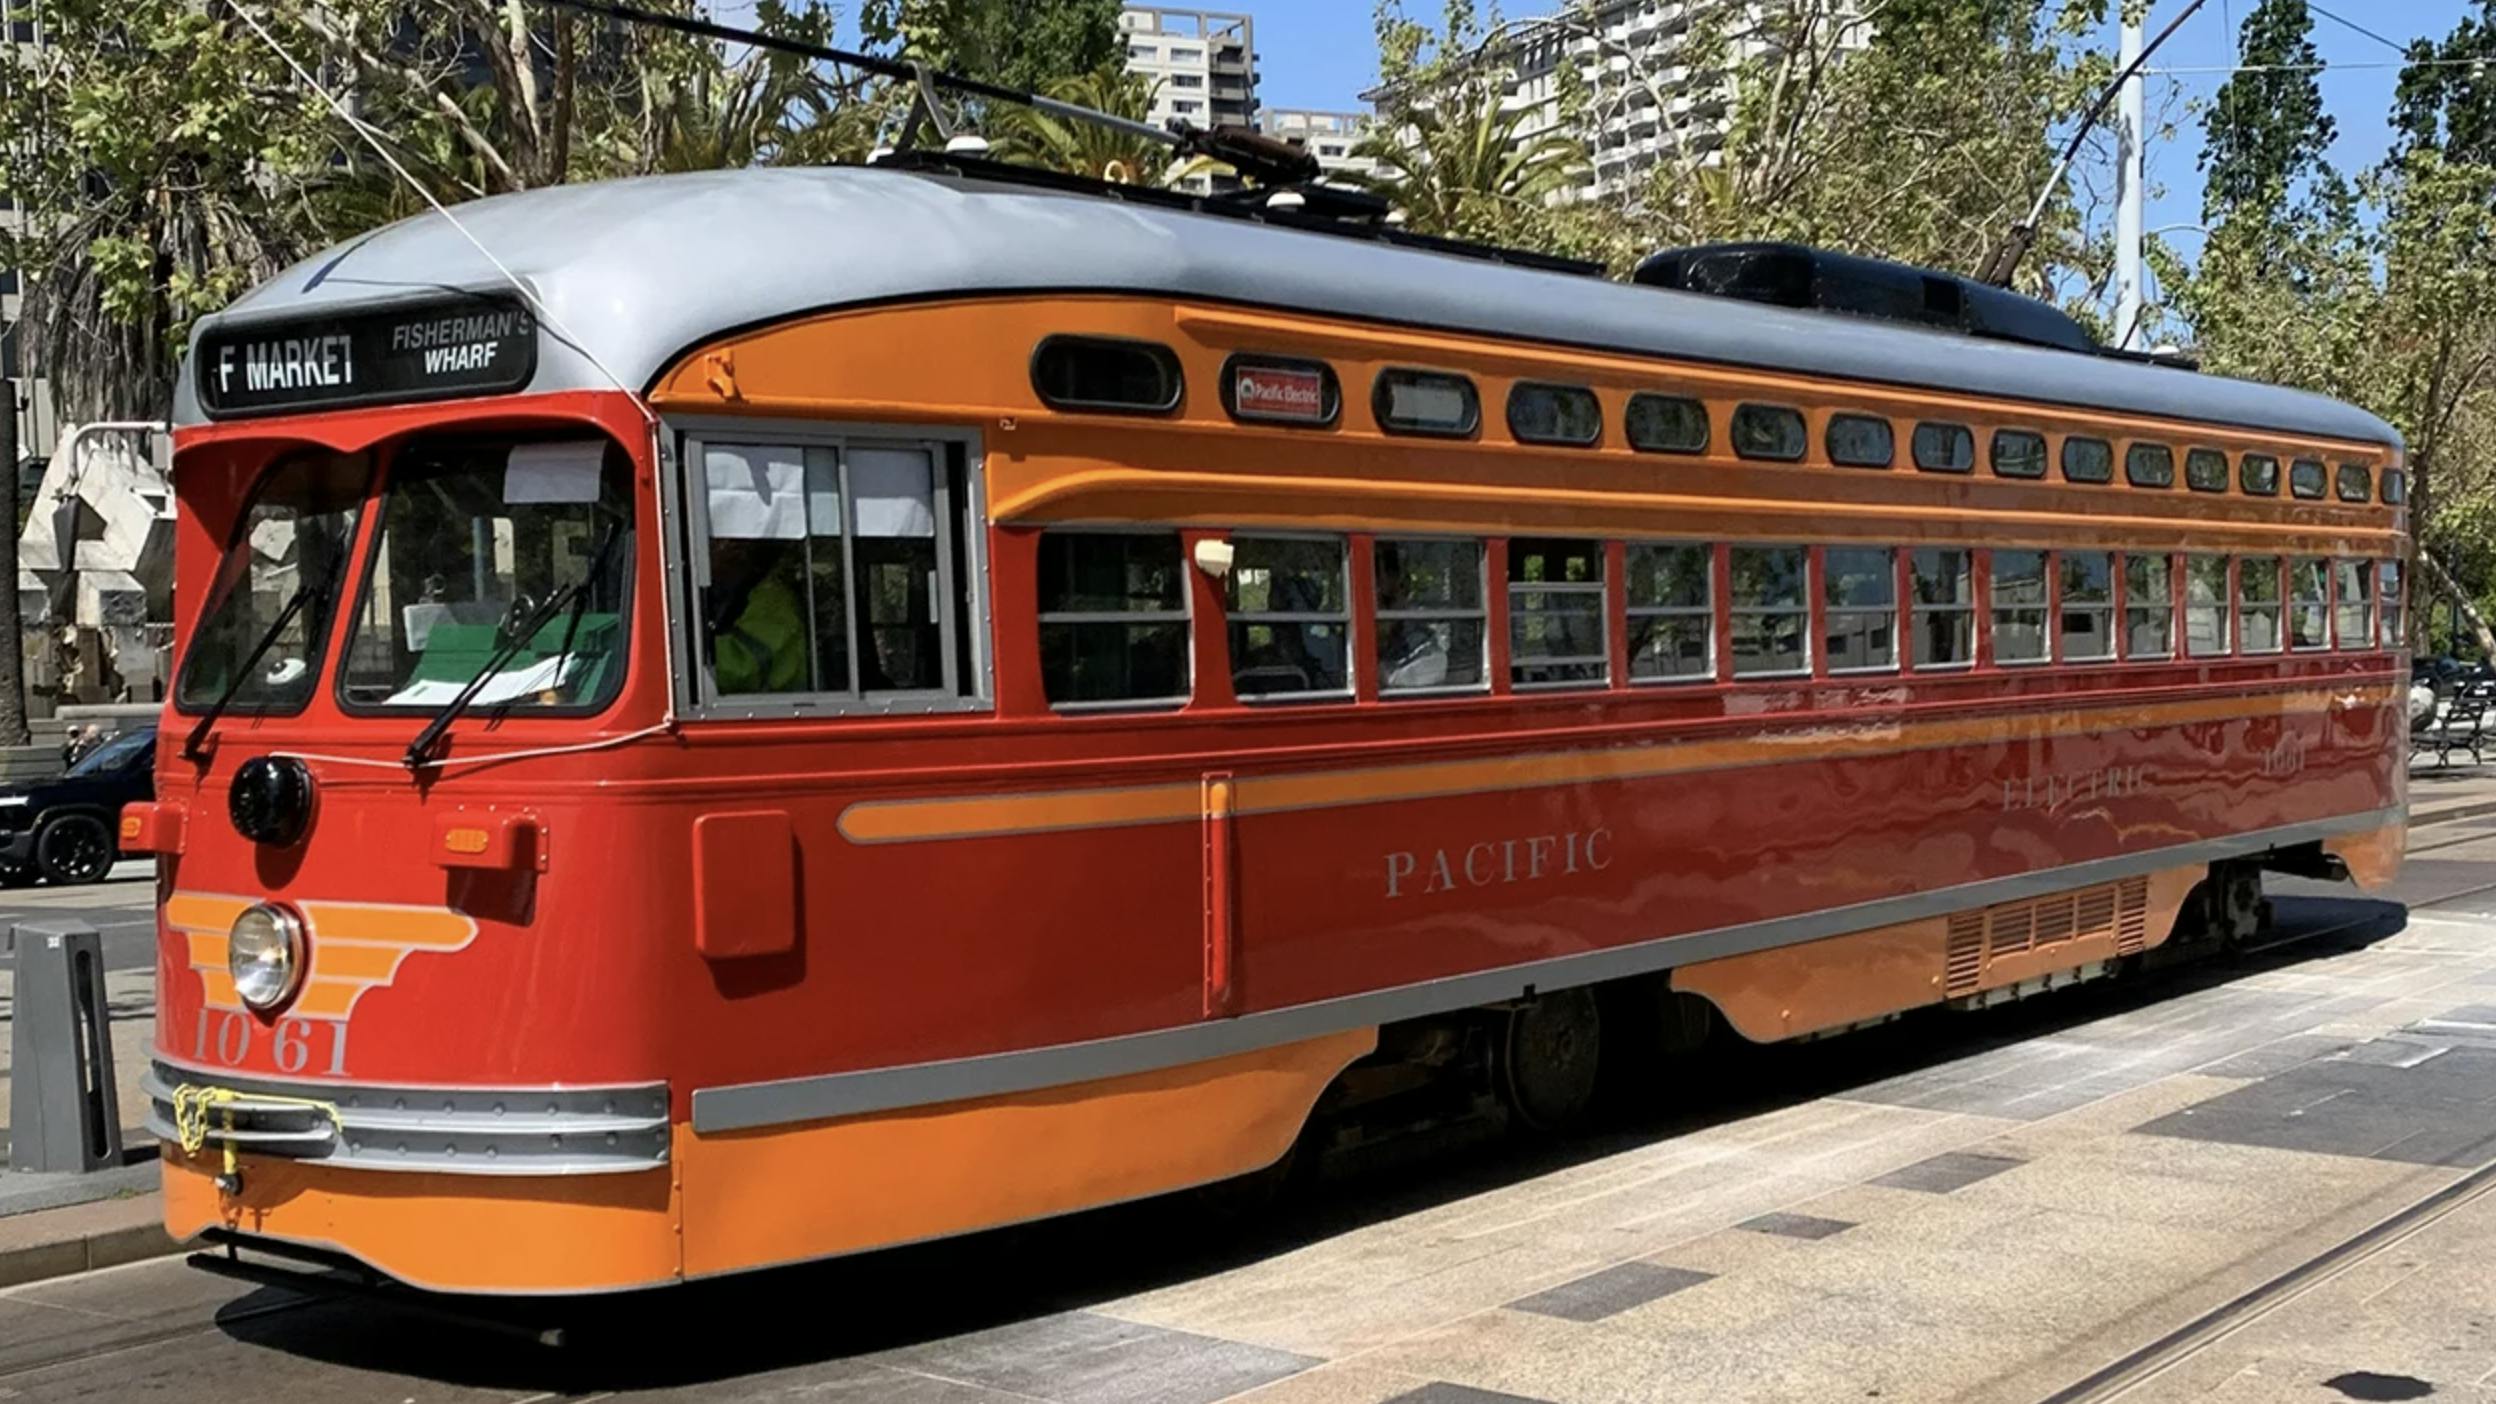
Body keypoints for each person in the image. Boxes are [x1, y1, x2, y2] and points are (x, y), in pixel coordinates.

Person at [706, 538, 808, 694]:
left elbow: (741, 669)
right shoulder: (727, 590)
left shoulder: (774, 599)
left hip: (780, 707)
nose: (713, 549)